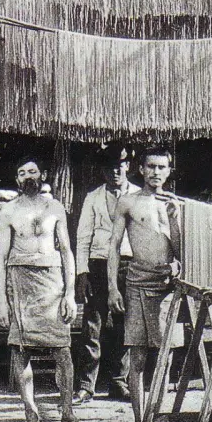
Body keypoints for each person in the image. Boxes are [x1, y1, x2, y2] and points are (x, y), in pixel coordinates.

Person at [0, 156, 83, 422]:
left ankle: (67, 411)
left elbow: (67, 251)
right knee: (20, 350)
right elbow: (1, 258)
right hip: (21, 282)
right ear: (17, 180)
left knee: (63, 350)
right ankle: (30, 412)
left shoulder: (55, 207)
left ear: (42, 175)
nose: (28, 176)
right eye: (22, 173)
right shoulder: (8, 210)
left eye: (32, 171)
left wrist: (70, 294)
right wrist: (1, 301)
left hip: (52, 283)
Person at [108, 145, 182, 422]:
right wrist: (112, 287)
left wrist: (175, 220)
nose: (156, 172)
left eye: (162, 167)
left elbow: (181, 252)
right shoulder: (128, 202)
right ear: (141, 169)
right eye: (151, 166)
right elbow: (114, 246)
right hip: (136, 283)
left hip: (165, 286)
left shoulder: (174, 203)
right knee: (137, 356)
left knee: (165, 356)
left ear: (169, 170)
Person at [74, 144, 140, 404]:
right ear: (103, 170)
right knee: (93, 326)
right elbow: (83, 237)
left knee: (125, 325)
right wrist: (82, 273)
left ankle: (119, 382)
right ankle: (86, 386)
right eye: (110, 167)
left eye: (119, 166)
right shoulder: (93, 197)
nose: (115, 171)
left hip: (128, 265)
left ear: (128, 166)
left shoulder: (138, 195)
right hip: (99, 265)